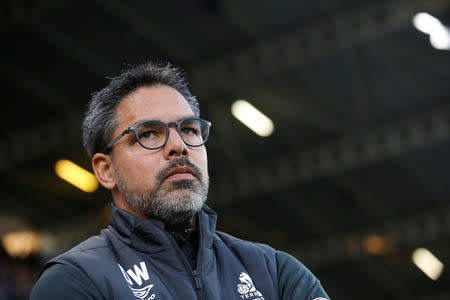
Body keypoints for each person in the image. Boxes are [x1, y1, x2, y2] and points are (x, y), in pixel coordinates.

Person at [30, 62, 330, 300]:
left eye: (189, 129)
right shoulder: (75, 281)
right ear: (106, 170)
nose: (179, 146)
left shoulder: (275, 273)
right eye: (147, 133)